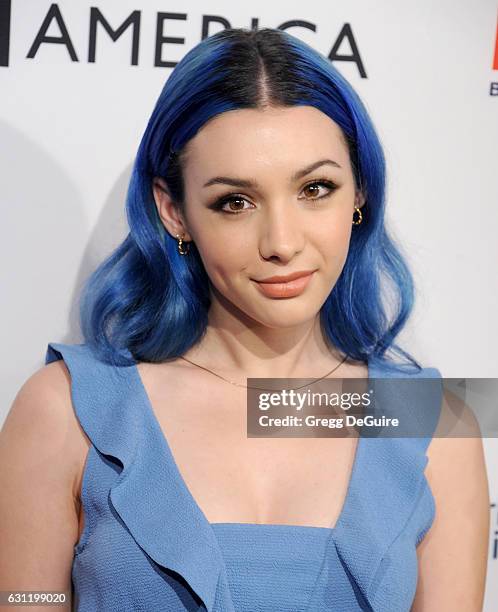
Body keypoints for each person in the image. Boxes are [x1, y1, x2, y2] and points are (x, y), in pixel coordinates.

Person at [0, 27, 489, 611]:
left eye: (316, 188)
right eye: (235, 201)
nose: (282, 243)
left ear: (359, 191)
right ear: (173, 210)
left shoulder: (432, 426)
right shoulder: (68, 411)